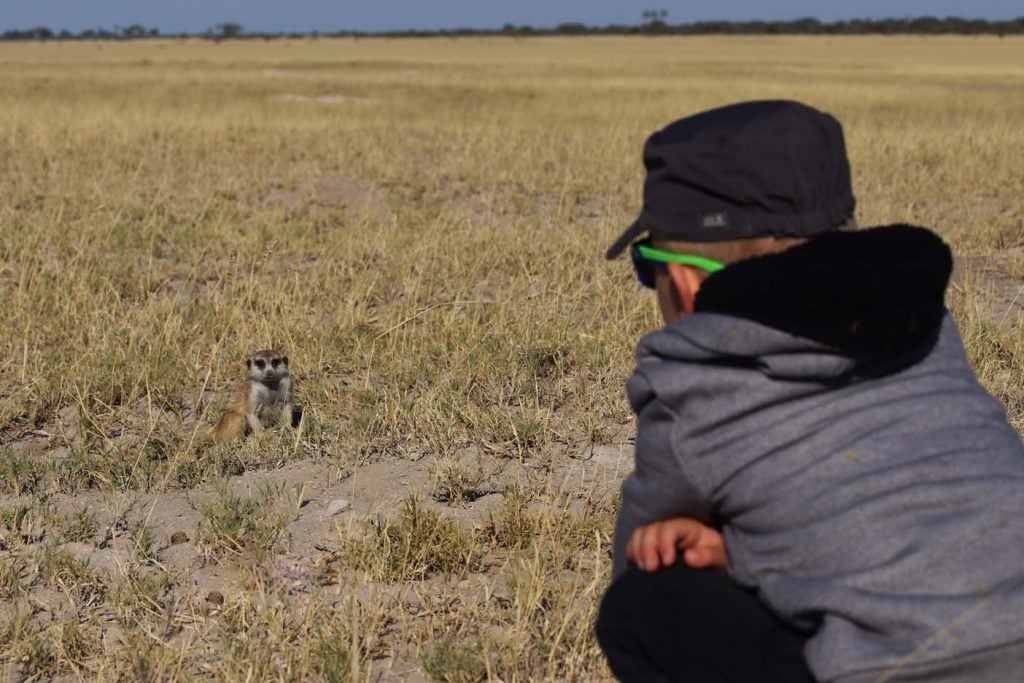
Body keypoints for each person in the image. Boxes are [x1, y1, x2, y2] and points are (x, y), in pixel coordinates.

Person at [596, 100, 1024, 682]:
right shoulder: (922, 322)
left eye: (649, 268)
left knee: (645, 605)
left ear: (687, 283)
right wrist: (747, 553)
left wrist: (711, 551)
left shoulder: (689, 379)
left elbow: (638, 558)